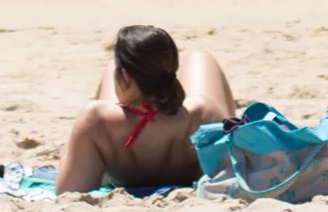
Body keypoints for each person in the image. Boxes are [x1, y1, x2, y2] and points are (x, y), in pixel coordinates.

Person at [55, 24, 238, 194]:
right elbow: (235, 175)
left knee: (113, 66)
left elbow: (69, 192)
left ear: (125, 79)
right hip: (188, 163)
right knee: (199, 58)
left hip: (124, 171)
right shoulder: (203, 114)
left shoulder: (96, 120)